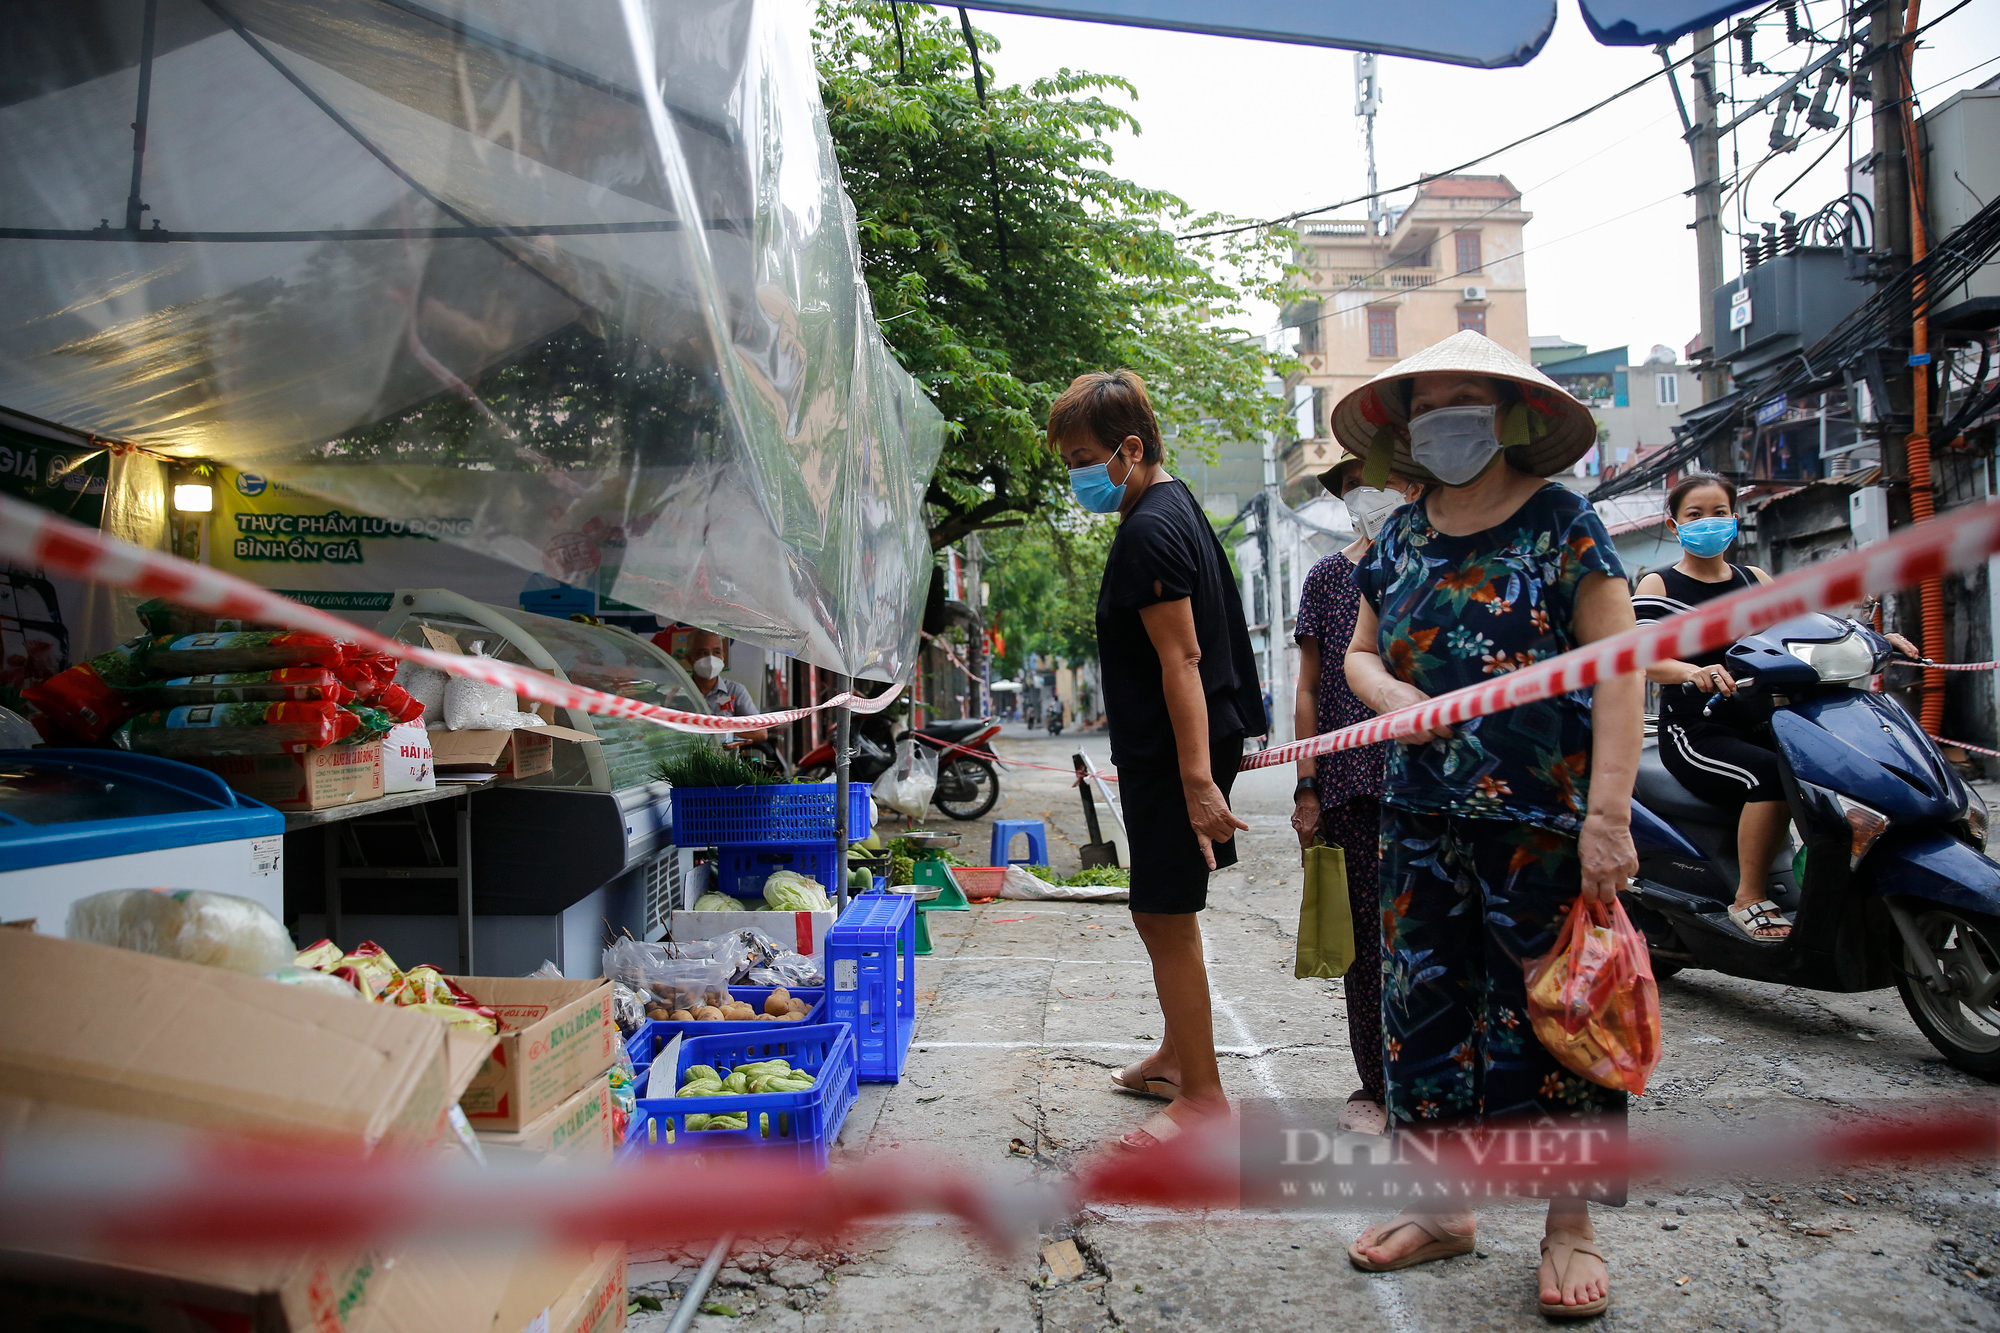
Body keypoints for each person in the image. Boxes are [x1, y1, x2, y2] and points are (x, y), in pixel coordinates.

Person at [1337, 331, 1643, 1319]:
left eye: (1467, 399)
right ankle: (1442, 1208)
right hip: (1417, 820)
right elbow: (1357, 652)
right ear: (1405, 427)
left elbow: (1618, 667)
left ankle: (1568, 1226)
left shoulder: (1563, 525)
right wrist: (1383, 687)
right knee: (1421, 1015)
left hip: (1540, 828)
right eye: (1428, 404)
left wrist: (1605, 816)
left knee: (1555, 1017)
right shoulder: (1396, 535)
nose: (1445, 419)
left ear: (1513, 414)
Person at [1049, 369, 1264, 1148]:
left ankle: (1204, 1097)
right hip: (1169, 751)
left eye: (1081, 457)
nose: (1075, 476)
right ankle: (1179, 1054)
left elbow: (1184, 660)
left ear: (1130, 448)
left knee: (1165, 912)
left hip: (1179, 754)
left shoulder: (1149, 528)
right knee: (1158, 908)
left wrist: (1198, 779)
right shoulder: (1171, 509)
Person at [1634, 474, 1915, 940]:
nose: (1709, 522)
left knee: (1835, 767)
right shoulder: (1659, 583)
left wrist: (1873, 639)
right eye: (1694, 515)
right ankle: (1748, 897)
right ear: (1674, 523)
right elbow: (1641, 659)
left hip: (1760, 718)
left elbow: (1798, 634)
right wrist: (1690, 672)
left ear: (1734, 518)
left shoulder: (1754, 580)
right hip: (1696, 730)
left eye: (1719, 512)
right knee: (1770, 777)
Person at [1289, 453, 1425, 1137]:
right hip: (1348, 783)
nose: (1363, 496)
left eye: (1375, 483)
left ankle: (1439, 1083)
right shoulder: (1327, 578)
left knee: (1432, 940)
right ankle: (1374, 1082)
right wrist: (1307, 785)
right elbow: (1311, 688)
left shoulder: (1430, 566)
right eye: (1351, 487)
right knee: (1365, 946)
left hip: (1432, 780)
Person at [682, 629, 769, 744]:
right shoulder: (679, 692)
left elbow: (761, 732)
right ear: (689, 658)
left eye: (716, 652)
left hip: (725, 760)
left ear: (723, 656)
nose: (710, 659)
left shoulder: (735, 691)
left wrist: (725, 733)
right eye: (703, 653)